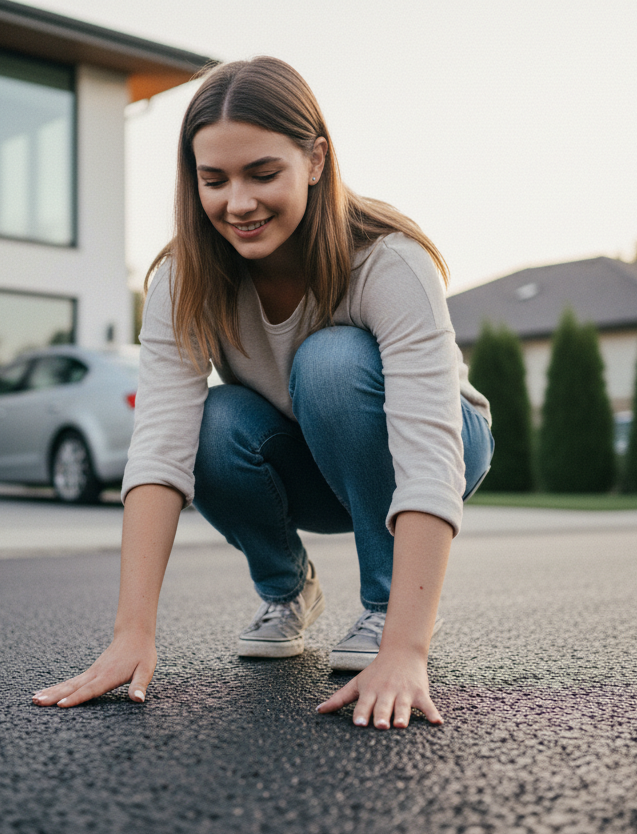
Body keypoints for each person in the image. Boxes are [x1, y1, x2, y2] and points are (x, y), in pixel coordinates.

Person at [33, 56, 492, 730]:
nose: (237, 203)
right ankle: (286, 589)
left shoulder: (388, 261)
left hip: (437, 443)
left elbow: (429, 451)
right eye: (213, 180)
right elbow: (160, 449)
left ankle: (385, 603)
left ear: (315, 160)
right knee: (211, 424)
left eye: (262, 173)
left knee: (330, 362)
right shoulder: (180, 281)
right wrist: (133, 632)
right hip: (310, 453)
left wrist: (405, 647)